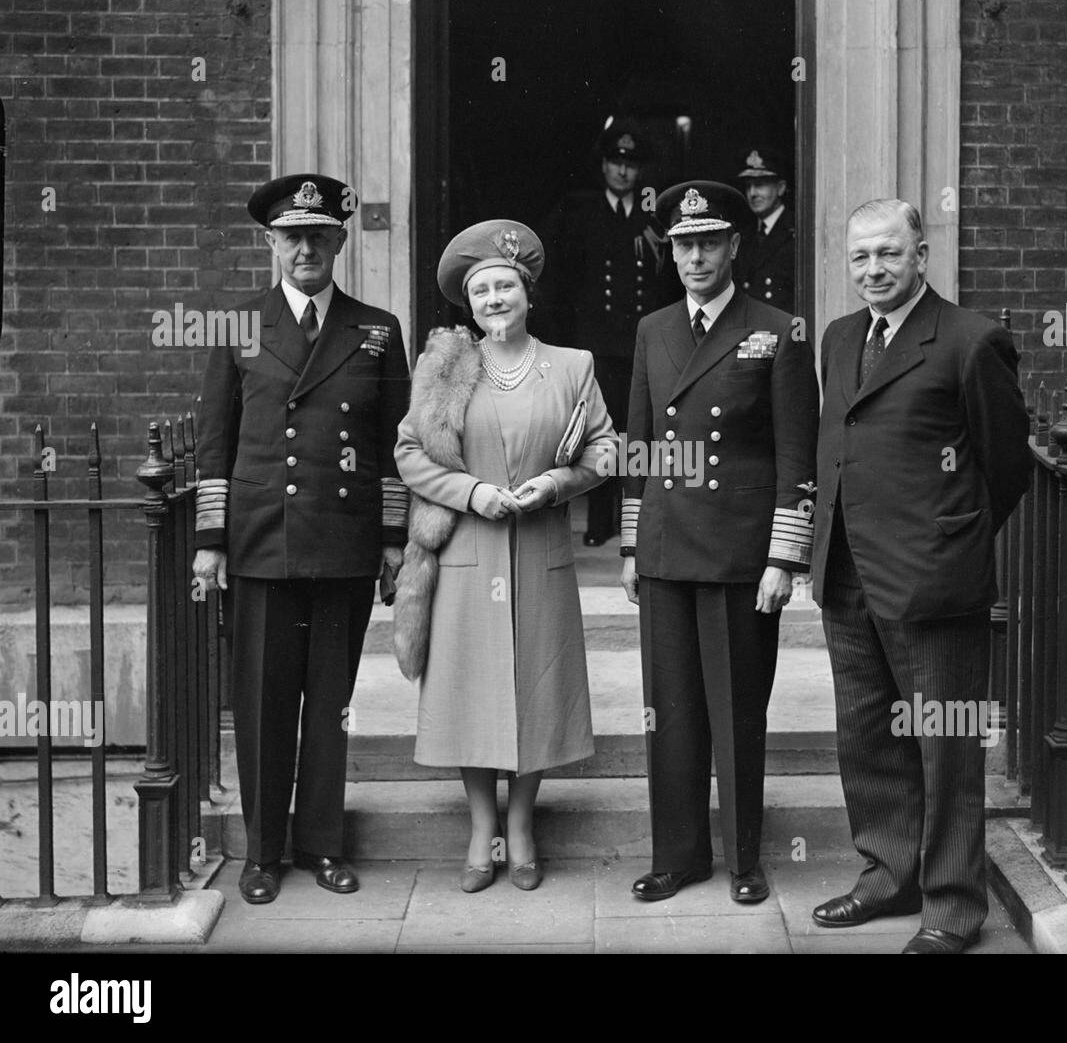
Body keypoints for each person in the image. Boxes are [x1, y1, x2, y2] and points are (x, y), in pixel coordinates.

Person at [809, 198, 1031, 953]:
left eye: (889, 254)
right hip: (847, 576)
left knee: (944, 747)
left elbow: (1005, 466)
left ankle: (951, 908)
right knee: (868, 735)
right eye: (860, 256)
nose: (873, 270)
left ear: (922, 255)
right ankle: (886, 873)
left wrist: (951, 542)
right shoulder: (841, 339)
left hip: (934, 586)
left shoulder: (970, 342)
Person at [192, 173, 410, 904]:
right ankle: (264, 853)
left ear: (340, 242)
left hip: (343, 543)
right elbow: (215, 442)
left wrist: (391, 539)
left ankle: (322, 845)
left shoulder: (376, 328)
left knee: (330, 704)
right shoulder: (239, 326)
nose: (305, 250)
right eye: (292, 237)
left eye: (319, 236)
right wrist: (211, 541)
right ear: (272, 245)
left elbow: (392, 445)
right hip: (262, 540)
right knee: (263, 702)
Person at [393, 220, 617, 893]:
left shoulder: (572, 367)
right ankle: (479, 828)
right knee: (469, 694)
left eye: (506, 286)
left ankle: (521, 826)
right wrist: (472, 491)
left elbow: (604, 449)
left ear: (528, 295)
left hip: (542, 550)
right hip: (468, 551)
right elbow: (409, 453)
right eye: (482, 289)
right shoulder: (445, 368)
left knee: (536, 692)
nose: (495, 298)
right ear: (470, 303)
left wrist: (560, 483)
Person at [620, 181, 818, 904]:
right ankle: (678, 856)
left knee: (737, 711)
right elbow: (639, 442)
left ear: (734, 246)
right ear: (669, 251)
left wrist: (783, 557)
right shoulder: (653, 329)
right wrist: (631, 547)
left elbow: (797, 453)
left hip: (741, 555)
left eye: (709, 242)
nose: (696, 256)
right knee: (669, 711)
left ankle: (743, 860)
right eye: (683, 245)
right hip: (669, 548)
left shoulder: (779, 329)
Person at [546, 122, 677, 546]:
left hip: (639, 339)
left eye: (630, 165)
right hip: (595, 342)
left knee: (636, 429)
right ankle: (600, 521)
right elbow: (562, 279)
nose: (623, 172)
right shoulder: (578, 210)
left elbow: (664, 280)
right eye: (616, 163)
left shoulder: (652, 215)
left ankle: (633, 516)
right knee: (597, 432)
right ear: (603, 165)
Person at [733, 146, 796, 314]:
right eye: (748, 186)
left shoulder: (797, 232)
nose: (752, 193)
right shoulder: (745, 234)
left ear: (781, 188)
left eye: (760, 185)